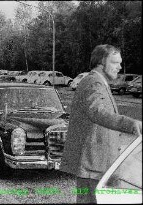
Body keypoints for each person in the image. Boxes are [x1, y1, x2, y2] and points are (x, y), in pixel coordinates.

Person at [60, 44, 142, 204]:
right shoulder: (93, 83)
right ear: (101, 62)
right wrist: (131, 124)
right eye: (115, 62)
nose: (120, 67)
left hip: (99, 165)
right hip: (93, 167)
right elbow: (98, 112)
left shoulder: (98, 82)